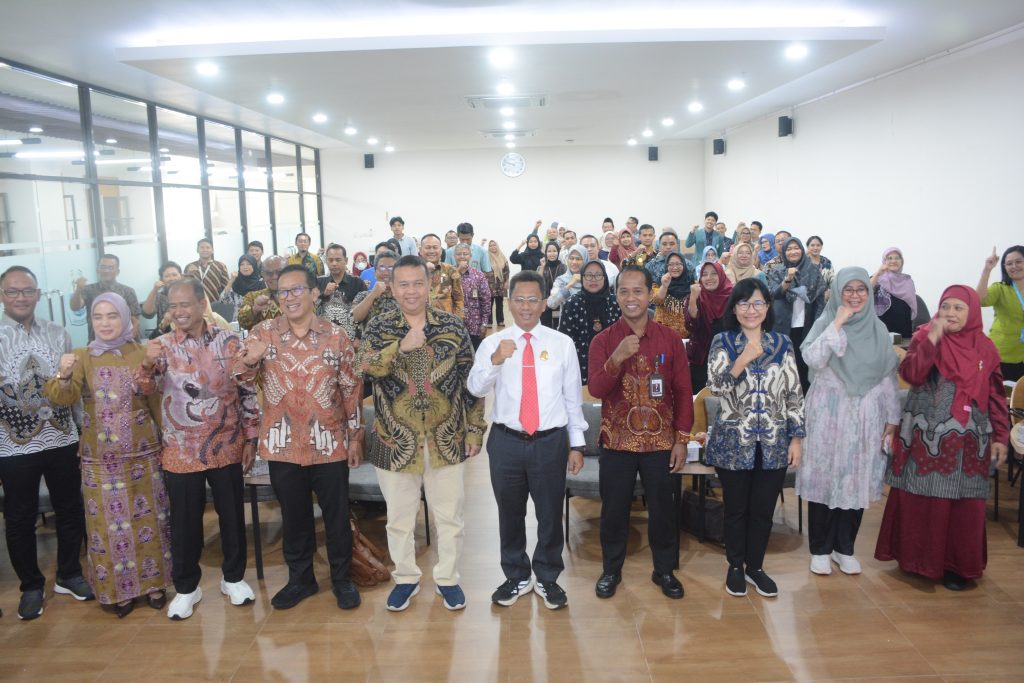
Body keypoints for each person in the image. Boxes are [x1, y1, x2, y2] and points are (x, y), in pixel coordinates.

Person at [359, 255, 486, 612]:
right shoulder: (379, 327)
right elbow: (363, 367)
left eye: (418, 283)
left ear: (429, 286)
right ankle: (406, 578)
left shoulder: (452, 326)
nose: (411, 290)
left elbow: (471, 381)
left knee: (450, 516)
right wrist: (399, 348)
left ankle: (447, 578)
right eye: (404, 284)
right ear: (393, 288)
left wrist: (475, 430)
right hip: (394, 441)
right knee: (399, 519)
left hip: (446, 439)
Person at [235, 265, 365, 610]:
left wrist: (355, 438)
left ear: (312, 293)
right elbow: (240, 380)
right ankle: (301, 579)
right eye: (283, 292)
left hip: (329, 443)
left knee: (336, 517)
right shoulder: (262, 332)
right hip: (282, 444)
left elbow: (351, 389)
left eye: (296, 290)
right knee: (294, 517)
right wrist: (251, 361)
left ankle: (342, 579)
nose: (289, 297)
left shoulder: (335, 335)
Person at [136, 278, 260, 619]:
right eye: (172, 307)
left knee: (232, 516)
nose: (178, 312)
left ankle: (233, 578)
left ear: (202, 302)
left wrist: (251, 437)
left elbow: (247, 389)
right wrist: (146, 364)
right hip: (180, 449)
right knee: (185, 521)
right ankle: (187, 587)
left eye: (184, 304)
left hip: (227, 442)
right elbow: (143, 387)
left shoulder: (230, 341)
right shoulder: (161, 345)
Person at [874, 285, 1009, 591]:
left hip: (970, 444)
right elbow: (912, 375)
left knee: (964, 504)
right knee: (923, 497)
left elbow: (997, 397)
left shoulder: (985, 348)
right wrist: (933, 339)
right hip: (926, 438)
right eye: (945, 306)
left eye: (958, 308)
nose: (950, 313)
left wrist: (1001, 435)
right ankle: (916, 561)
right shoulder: (924, 336)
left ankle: (957, 566)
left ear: (972, 311)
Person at [43, 293, 168, 618]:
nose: (105, 323)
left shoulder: (142, 352)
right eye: (98, 317)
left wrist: (166, 438)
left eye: (112, 316)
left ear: (127, 317)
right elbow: (62, 397)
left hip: (143, 453)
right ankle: (119, 589)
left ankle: (154, 584)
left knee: (150, 520)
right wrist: (64, 373)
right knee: (106, 525)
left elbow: (155, 399)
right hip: (100, 460)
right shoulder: (82, 355)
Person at [468, 270, 587, 609]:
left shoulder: (561, 344)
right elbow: (474, 388)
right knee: (510, 513)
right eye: (518, 299)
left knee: (550, 513)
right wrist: (495, 361)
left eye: (533, 299)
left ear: (545, 302)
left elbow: (571, 400)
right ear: (508, 302)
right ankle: (516, 575)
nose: (525, 306)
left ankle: (548, 577)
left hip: (550, 441)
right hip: (506, 441)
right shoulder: (494, 343)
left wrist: (576, 444)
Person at [588, 266, 693, 600]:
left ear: (650, 294)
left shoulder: (670, 339)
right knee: (614, 510)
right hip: (617, 441)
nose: (630, 298)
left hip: (661, 443)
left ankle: (664, 570)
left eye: (637, 291)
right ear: (616, 295)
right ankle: (611, 570)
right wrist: (616, 358)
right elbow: (597, 390)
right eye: (624, 291)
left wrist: (682, 439)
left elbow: (682, 389)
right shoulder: (603, 341)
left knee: (664, 510)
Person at [0, 266, 93, 620]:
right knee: (19, 518)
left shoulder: (59, 334)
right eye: (12, 291)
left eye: (27, 291)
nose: (20, 297)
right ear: (2, 296)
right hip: (12, 445)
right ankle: (31, 586)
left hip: (62, 437)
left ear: (39, 294)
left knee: (71, 508)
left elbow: (75, 389)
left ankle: (69, 574)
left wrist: (83, 429)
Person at [705, 277, 804, 598]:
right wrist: (742, 360)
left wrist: (797, 439)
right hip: (734, 441)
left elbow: (794, 393)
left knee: (763, 510)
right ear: (734, 308)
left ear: (768, 307)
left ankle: (756, 567)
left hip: (774, 442)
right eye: (745, 303)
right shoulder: (722, 340)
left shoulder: (783, 344)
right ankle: (735, 566)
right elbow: (716, 387)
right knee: (736, 509)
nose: (751, 310)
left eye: (758, 303)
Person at [797, 268, 901, 576]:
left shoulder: (879, 330)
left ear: (869, 295)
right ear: (838, 291)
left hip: (866, 416)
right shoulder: (824, 321)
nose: (855, 295)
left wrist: (892, 418)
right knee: (824, 478)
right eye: (848, 289)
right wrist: (837, 323)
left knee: (855, 478)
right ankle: (819, 549)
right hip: (828, 414)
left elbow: (887, 376)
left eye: (861, 290)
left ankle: (845, 548)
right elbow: (812, 360)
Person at [767, 236, 826, 391]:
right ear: (784, 252)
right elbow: (775, 293)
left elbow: (820, 300)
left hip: (807, 327)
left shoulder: (813, 270)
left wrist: (818, 325)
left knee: (804, 366)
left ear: (802, 249)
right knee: (783, 365)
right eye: (789, 249)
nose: (793, 252)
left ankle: (805, 404)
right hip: (782, 326)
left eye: (796, 248)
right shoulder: (777, 270)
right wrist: (788, 279)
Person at [557, 260, 621, 384]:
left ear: (605, 277)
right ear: (582, 277)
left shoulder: (615, 302)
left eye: (598, 275)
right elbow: (564, 340)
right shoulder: (572, 304)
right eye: (588, 275)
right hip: (580, 365)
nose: (593, 279)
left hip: (613, 361)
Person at [684, 261, 734, 392]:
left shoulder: (733, 297)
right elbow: (691, 326)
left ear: (721, 275)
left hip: (730, 356)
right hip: (701, 357)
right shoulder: (696, 297)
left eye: (714, 273)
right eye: (704, 274)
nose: (709, 278)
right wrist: (693, 298)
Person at [977, 245, 1024, 381]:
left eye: (1018, 261)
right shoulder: (1000, 288)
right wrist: (987, 270)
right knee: (1000, 399)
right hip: (1001, 355)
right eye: (1009, 263)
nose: (1014, 266)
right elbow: (978, 300)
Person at [70, 253, 142, 341]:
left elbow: (136, 320)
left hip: (123, 343)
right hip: (96, 342)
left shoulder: (128, 291)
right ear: (97, 270)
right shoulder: (88, 290)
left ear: (118, 271)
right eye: (103, 267)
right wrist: (78, 290)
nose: (106, 270)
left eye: (111, 267)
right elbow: (75, 307)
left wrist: (131, 341)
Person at [317, 243, 367, 342]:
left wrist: (358, 336)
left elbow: (365, 311)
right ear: (326, 261)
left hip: (351, 339)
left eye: (338, 260)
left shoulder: (357, 283)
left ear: (346, 260)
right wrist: (324, 294)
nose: (334, 263)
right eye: (330, 260)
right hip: (324, 339)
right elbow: (311, 309)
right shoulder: (319, 283)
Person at [870, 247, 917, 338]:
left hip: (903, 332)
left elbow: (910, 308)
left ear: (902, 261)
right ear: (884, 261)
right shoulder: (877, 278)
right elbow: (865, 290)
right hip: (881, 333)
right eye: (889, 258)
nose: (894, 261)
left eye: (897, 258)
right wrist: (879, 272)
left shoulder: (908, 280)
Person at [454, 243, 491, 349]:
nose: (462, 256)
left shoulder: (478, 275)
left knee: (475, 357)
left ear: (470, 256)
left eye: (465, 254)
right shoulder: (448, 275)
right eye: (458, 254)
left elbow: (486, 300)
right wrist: (457, 272)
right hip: (453, 326)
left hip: (475, 325)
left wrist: (484, 323)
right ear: (454, 256)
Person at [352, 250, 399, 333]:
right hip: (371, 344)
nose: (386, 272)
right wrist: (373, 294)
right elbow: (353, 319)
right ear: (375, 272)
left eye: (391, 268)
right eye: (382, 267)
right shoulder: (363, 295)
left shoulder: (406, 296)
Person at [420, 233, 464, 317]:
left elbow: (459, 299)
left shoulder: (451, 271)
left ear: (440, 250)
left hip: (445, 322)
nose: (432, 251)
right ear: (421, 251)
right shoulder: (412, 272)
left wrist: (459, 321)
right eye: (428, 247)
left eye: (435, 247)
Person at [237, 255, 285, 331]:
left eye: (280, 272)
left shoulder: (300, 296)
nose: (275, 276)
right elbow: (242, 323)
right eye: (269, 273)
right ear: (263, 274)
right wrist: (254, 310)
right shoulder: (252, 297)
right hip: (263, 342)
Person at [652, 252, 693, 340]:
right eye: (671, 264)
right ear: (666, 266)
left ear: (684, 265)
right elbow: (656, 301)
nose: (675, 267)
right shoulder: (659, 283)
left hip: (688, 337)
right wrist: (664, 286)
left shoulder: (692, 284)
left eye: (678, 264)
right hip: (663, 336)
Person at [141, 261, 183, 337]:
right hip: (165, 336)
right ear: (162, 279)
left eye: (174, 275)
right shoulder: (159, 296)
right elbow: (147, 314)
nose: (171, 278)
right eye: (167, 276)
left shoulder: (190, 293)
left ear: (181, 276)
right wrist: (154, 290)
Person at [218, 255, 264, 323]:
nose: (245, 267)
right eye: (242, 264)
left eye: (249, 264)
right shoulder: (236, 283)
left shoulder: (261, 283)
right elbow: (223, 300)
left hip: (258, 322)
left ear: (254, 266)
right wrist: (231, 280)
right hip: (239, 322)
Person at [184, 238, 230, 304]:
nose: (205, 250)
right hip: (195, 304)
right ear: (197, 250)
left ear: (212, 250)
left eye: (208, 247)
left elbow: (226, 287)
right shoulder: (190, 266)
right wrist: (189, 274)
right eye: (202, 247)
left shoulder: (221, 266)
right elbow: (185, 286)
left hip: (216, 302)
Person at [547, 245, 586, 318]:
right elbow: (551, 303)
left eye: (578, 259)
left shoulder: (591, 279)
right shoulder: (561, 280)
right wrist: (569, 285)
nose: (574, 262)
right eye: (571, 258)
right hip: (567, 326)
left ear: (585, 260)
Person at [540, 242, 567, 329]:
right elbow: (537, 283)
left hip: (558, 302)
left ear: (558, 252)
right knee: (545, 326)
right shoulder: (541, 267)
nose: (552, 253)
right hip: (545, 302)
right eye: (549, 251)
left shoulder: (564, 267)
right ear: (545, 253)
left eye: (554, 251)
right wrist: (542, 267)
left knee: (557, 326)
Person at [486, 240, 510, 327]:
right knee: (489, 304)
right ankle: (489, 322)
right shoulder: (486, 257)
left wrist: (507, 281)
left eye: (494, 245)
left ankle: (500, 321)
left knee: (500, 303)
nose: (493, 247)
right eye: (490, 246)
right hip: (489, 284)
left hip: (500, 284)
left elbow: (506, 270)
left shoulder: (502, 257)